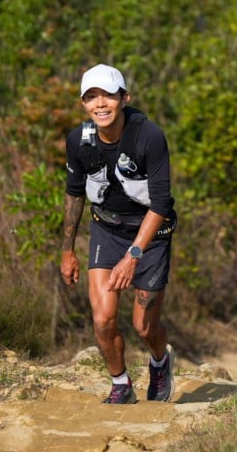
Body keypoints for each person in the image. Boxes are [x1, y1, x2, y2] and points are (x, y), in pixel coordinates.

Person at [59, 63, 178, 404]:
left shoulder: (148, 137)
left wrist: (133, 256)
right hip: (107, 230)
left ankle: (159, 361)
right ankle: (121, 384)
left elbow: (160, 203)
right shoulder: (79, 141)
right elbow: (74, 193)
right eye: (91, 97)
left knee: (145, 327)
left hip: (151, 234)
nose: (100, 103)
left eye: (109, 95)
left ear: (124, 98)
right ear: (83, 103)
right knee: (103, 318)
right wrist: (67, 249)